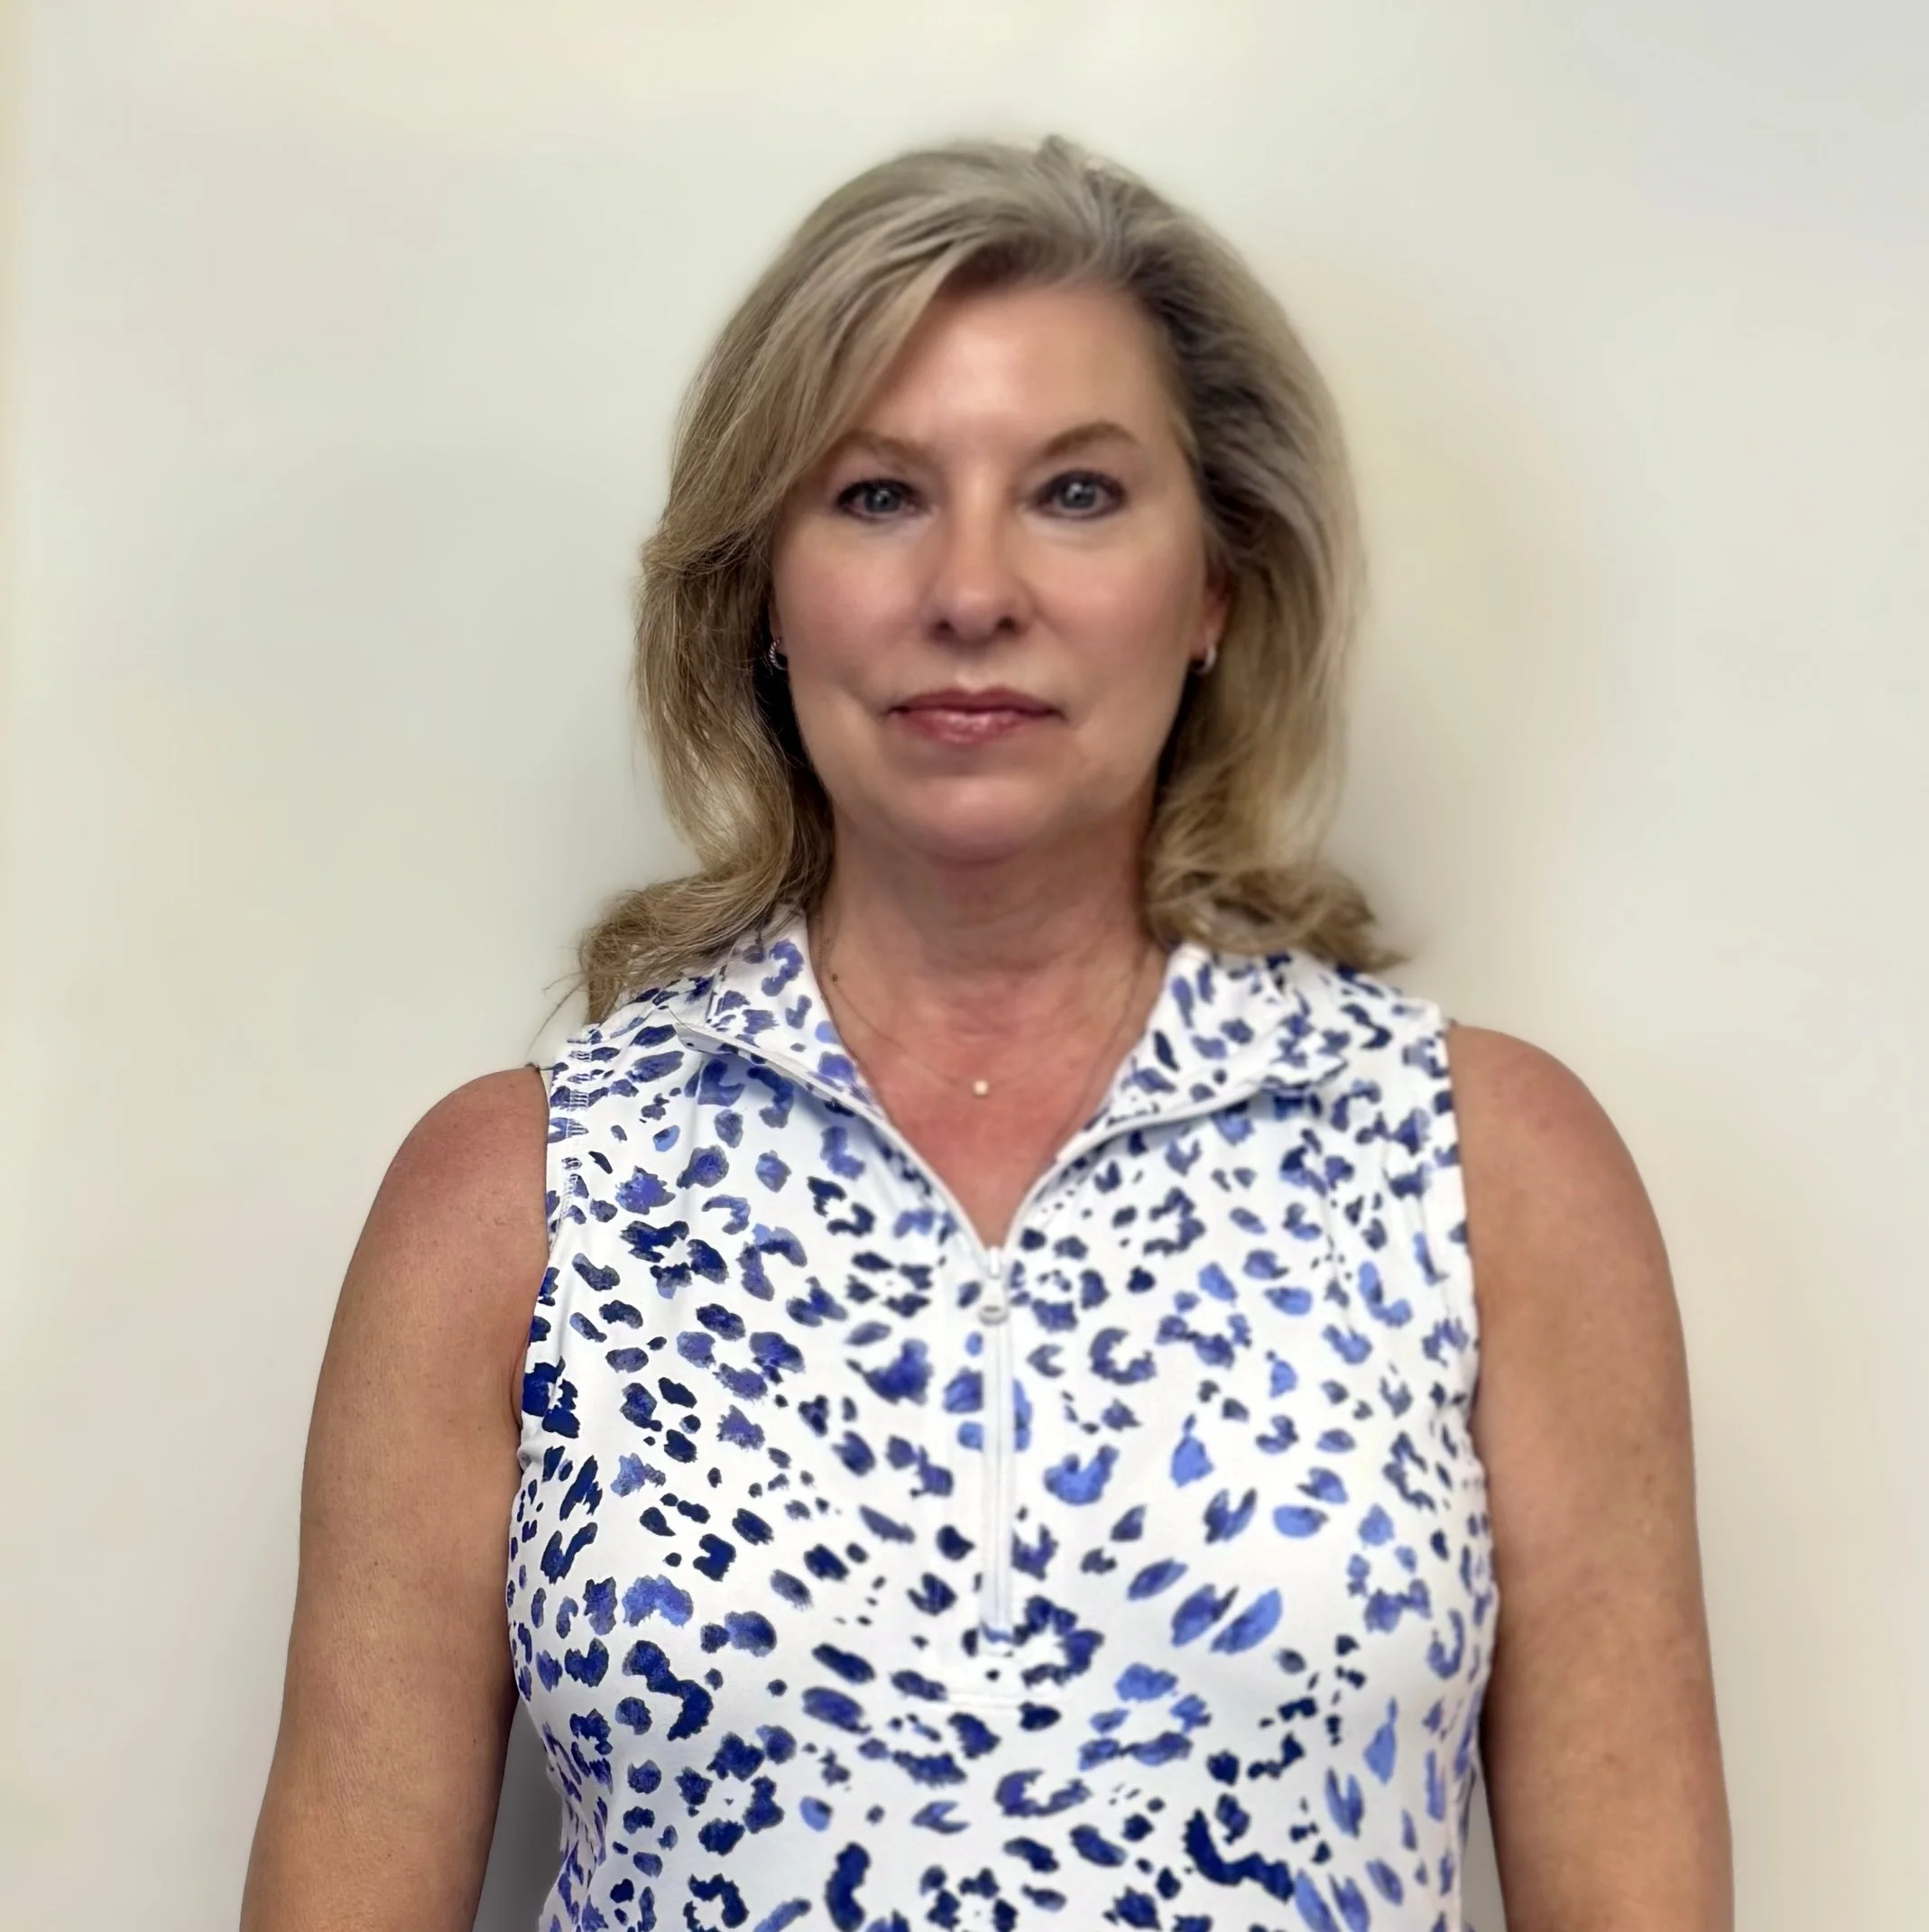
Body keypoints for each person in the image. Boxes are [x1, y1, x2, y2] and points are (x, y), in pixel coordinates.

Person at [242, 135, 1731, 1932]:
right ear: (765, 598)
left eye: (1077, 493)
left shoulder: (1487, 1171)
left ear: (1217, 588)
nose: (972, 589)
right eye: (876, 495)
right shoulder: (518, 1196)